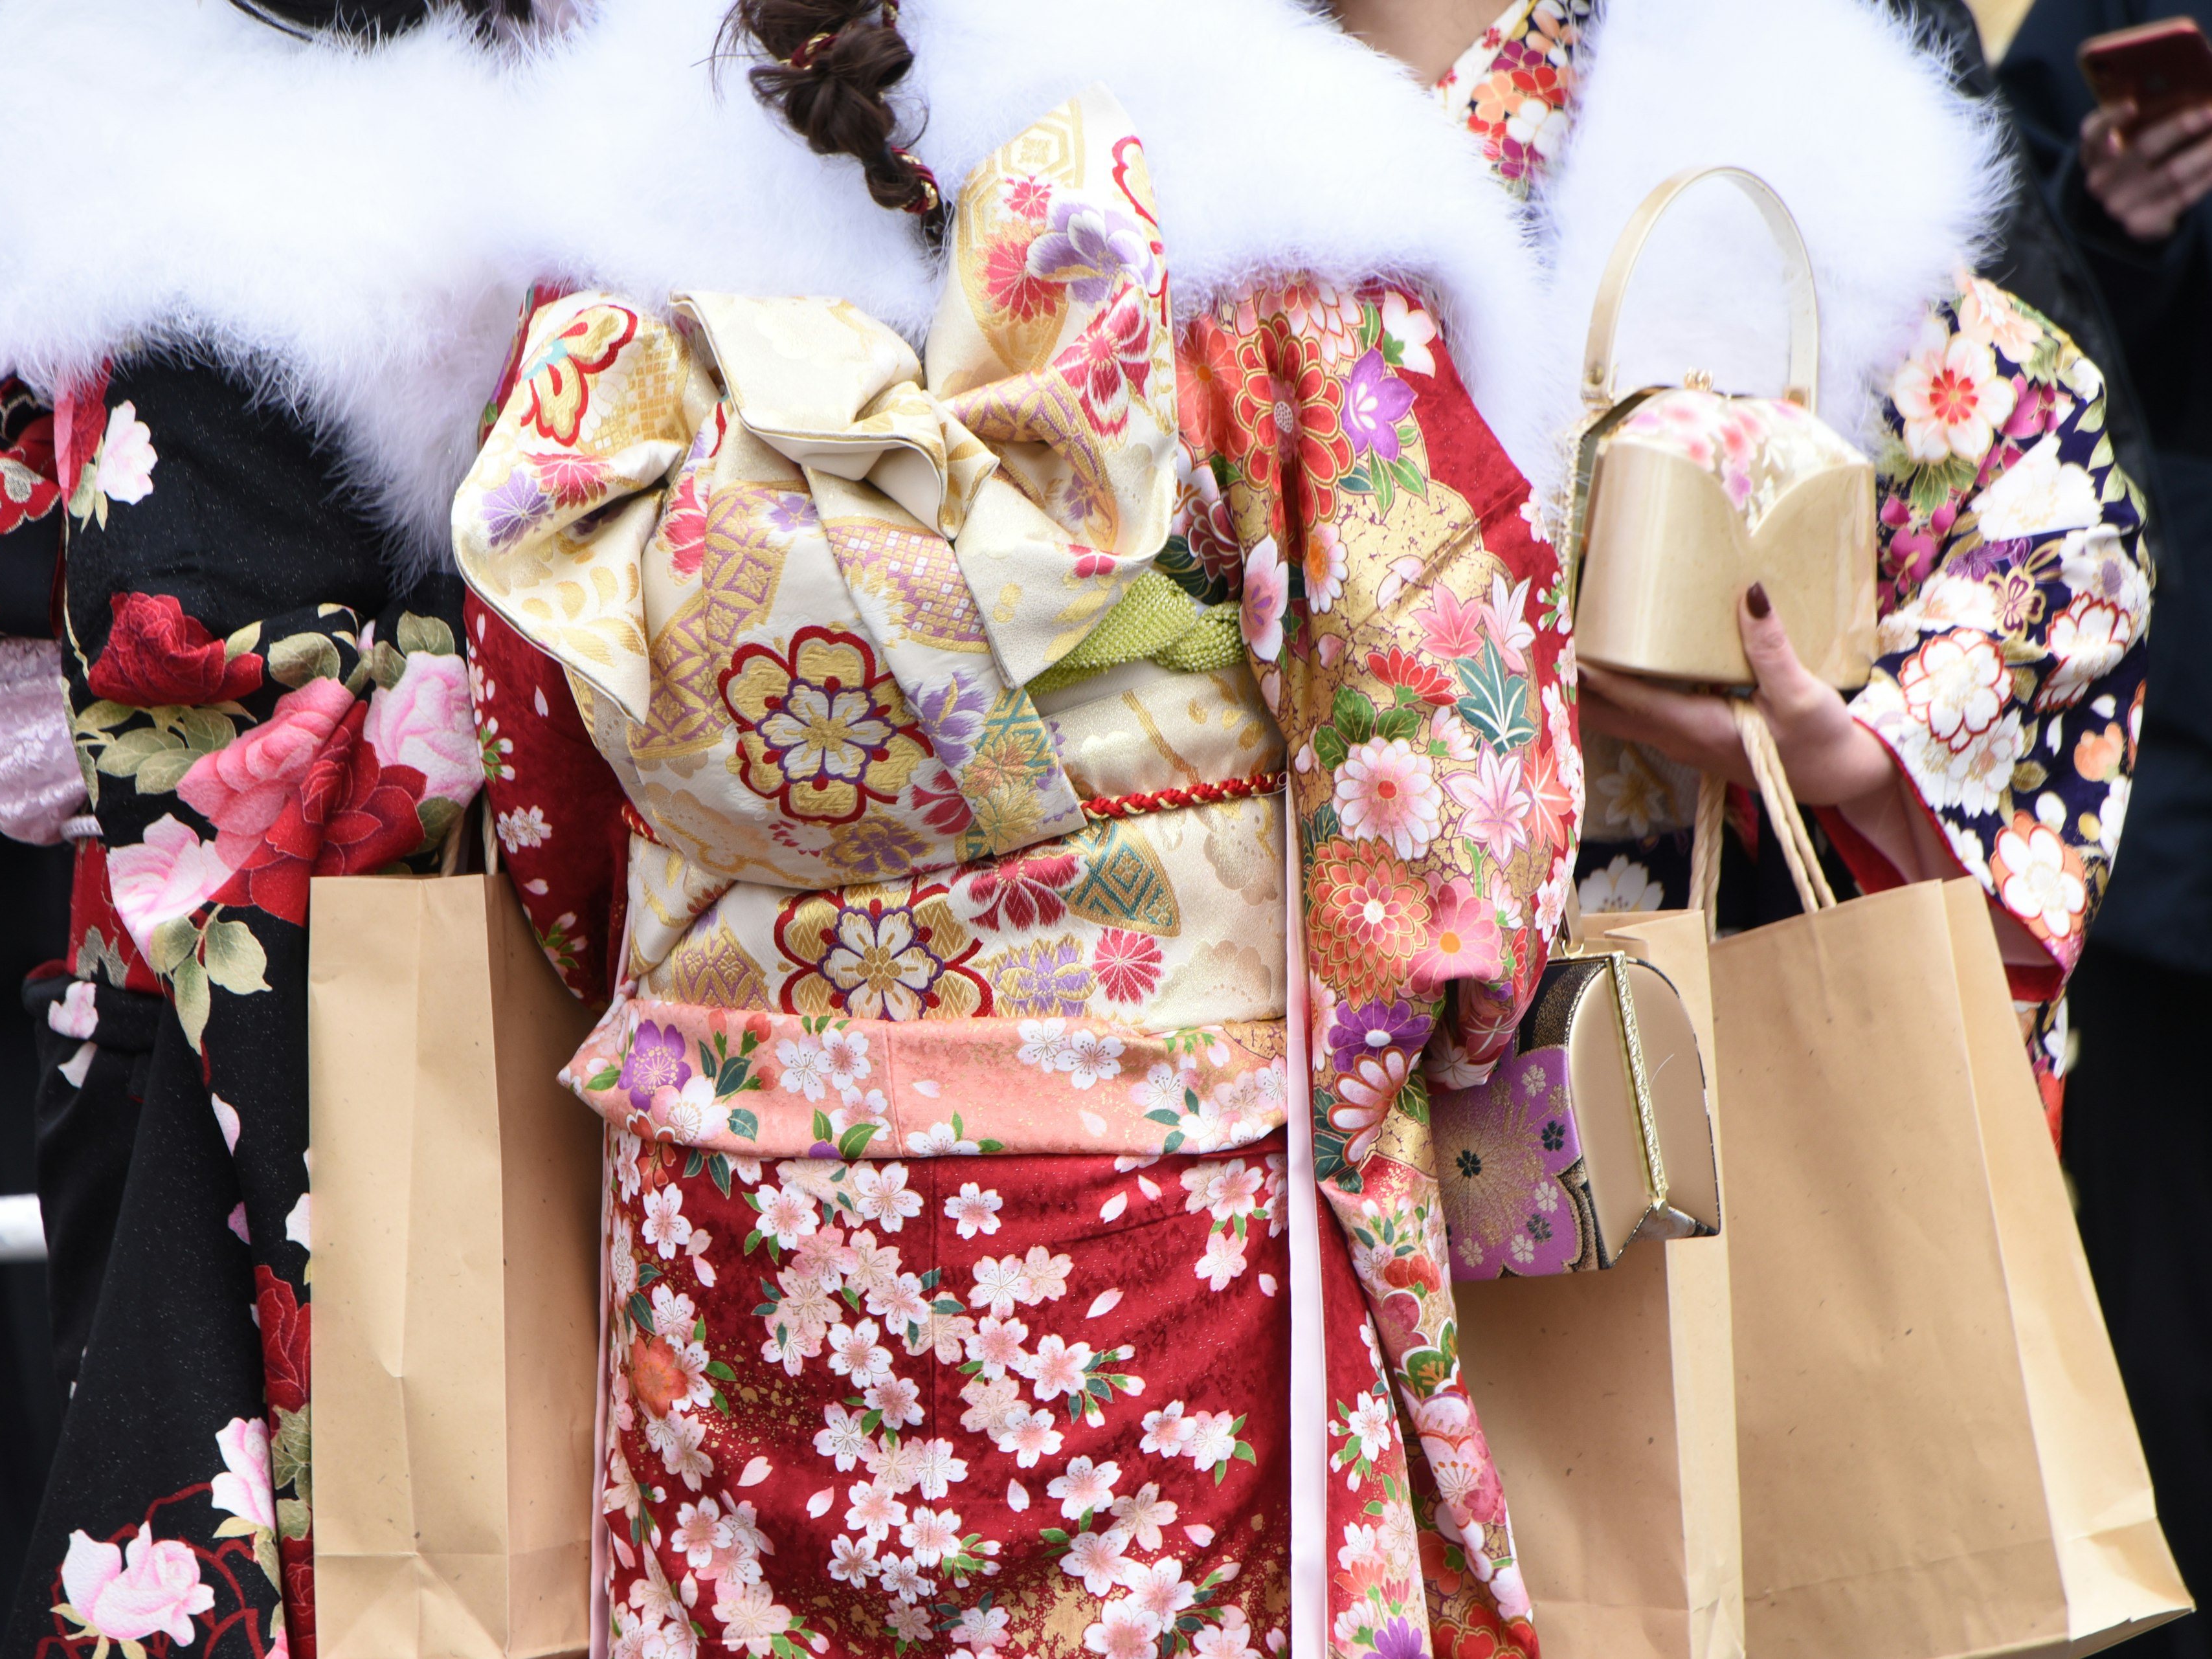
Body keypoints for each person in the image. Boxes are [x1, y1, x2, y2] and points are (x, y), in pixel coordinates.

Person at [460, 3, 1581, 1656]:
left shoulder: (622, 238)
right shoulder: (1271, 197)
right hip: (1146, 1220)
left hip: (734, 1202)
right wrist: (1414, 1037)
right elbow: (1445, 750)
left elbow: (545, 772)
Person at [0, 1, 551, 1652]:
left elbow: (19, 550)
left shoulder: (90, 103)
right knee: (475, 1498)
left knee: (211, 1508)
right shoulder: (588, 142)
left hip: (192, 934)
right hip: (477, 929)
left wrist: (22, 582)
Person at [1341, 0, 2149, 1137]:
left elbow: (2053, 509)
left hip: (1671, 948)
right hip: (1266, 999)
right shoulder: (1151, 111)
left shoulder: (1727, 85)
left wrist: (1869, 748)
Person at [1999, 6, 2212, 1654]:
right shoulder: (2119, 22)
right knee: (2168, 1327)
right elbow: (2025, 335)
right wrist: (2113, 226)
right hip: (2186, 818)